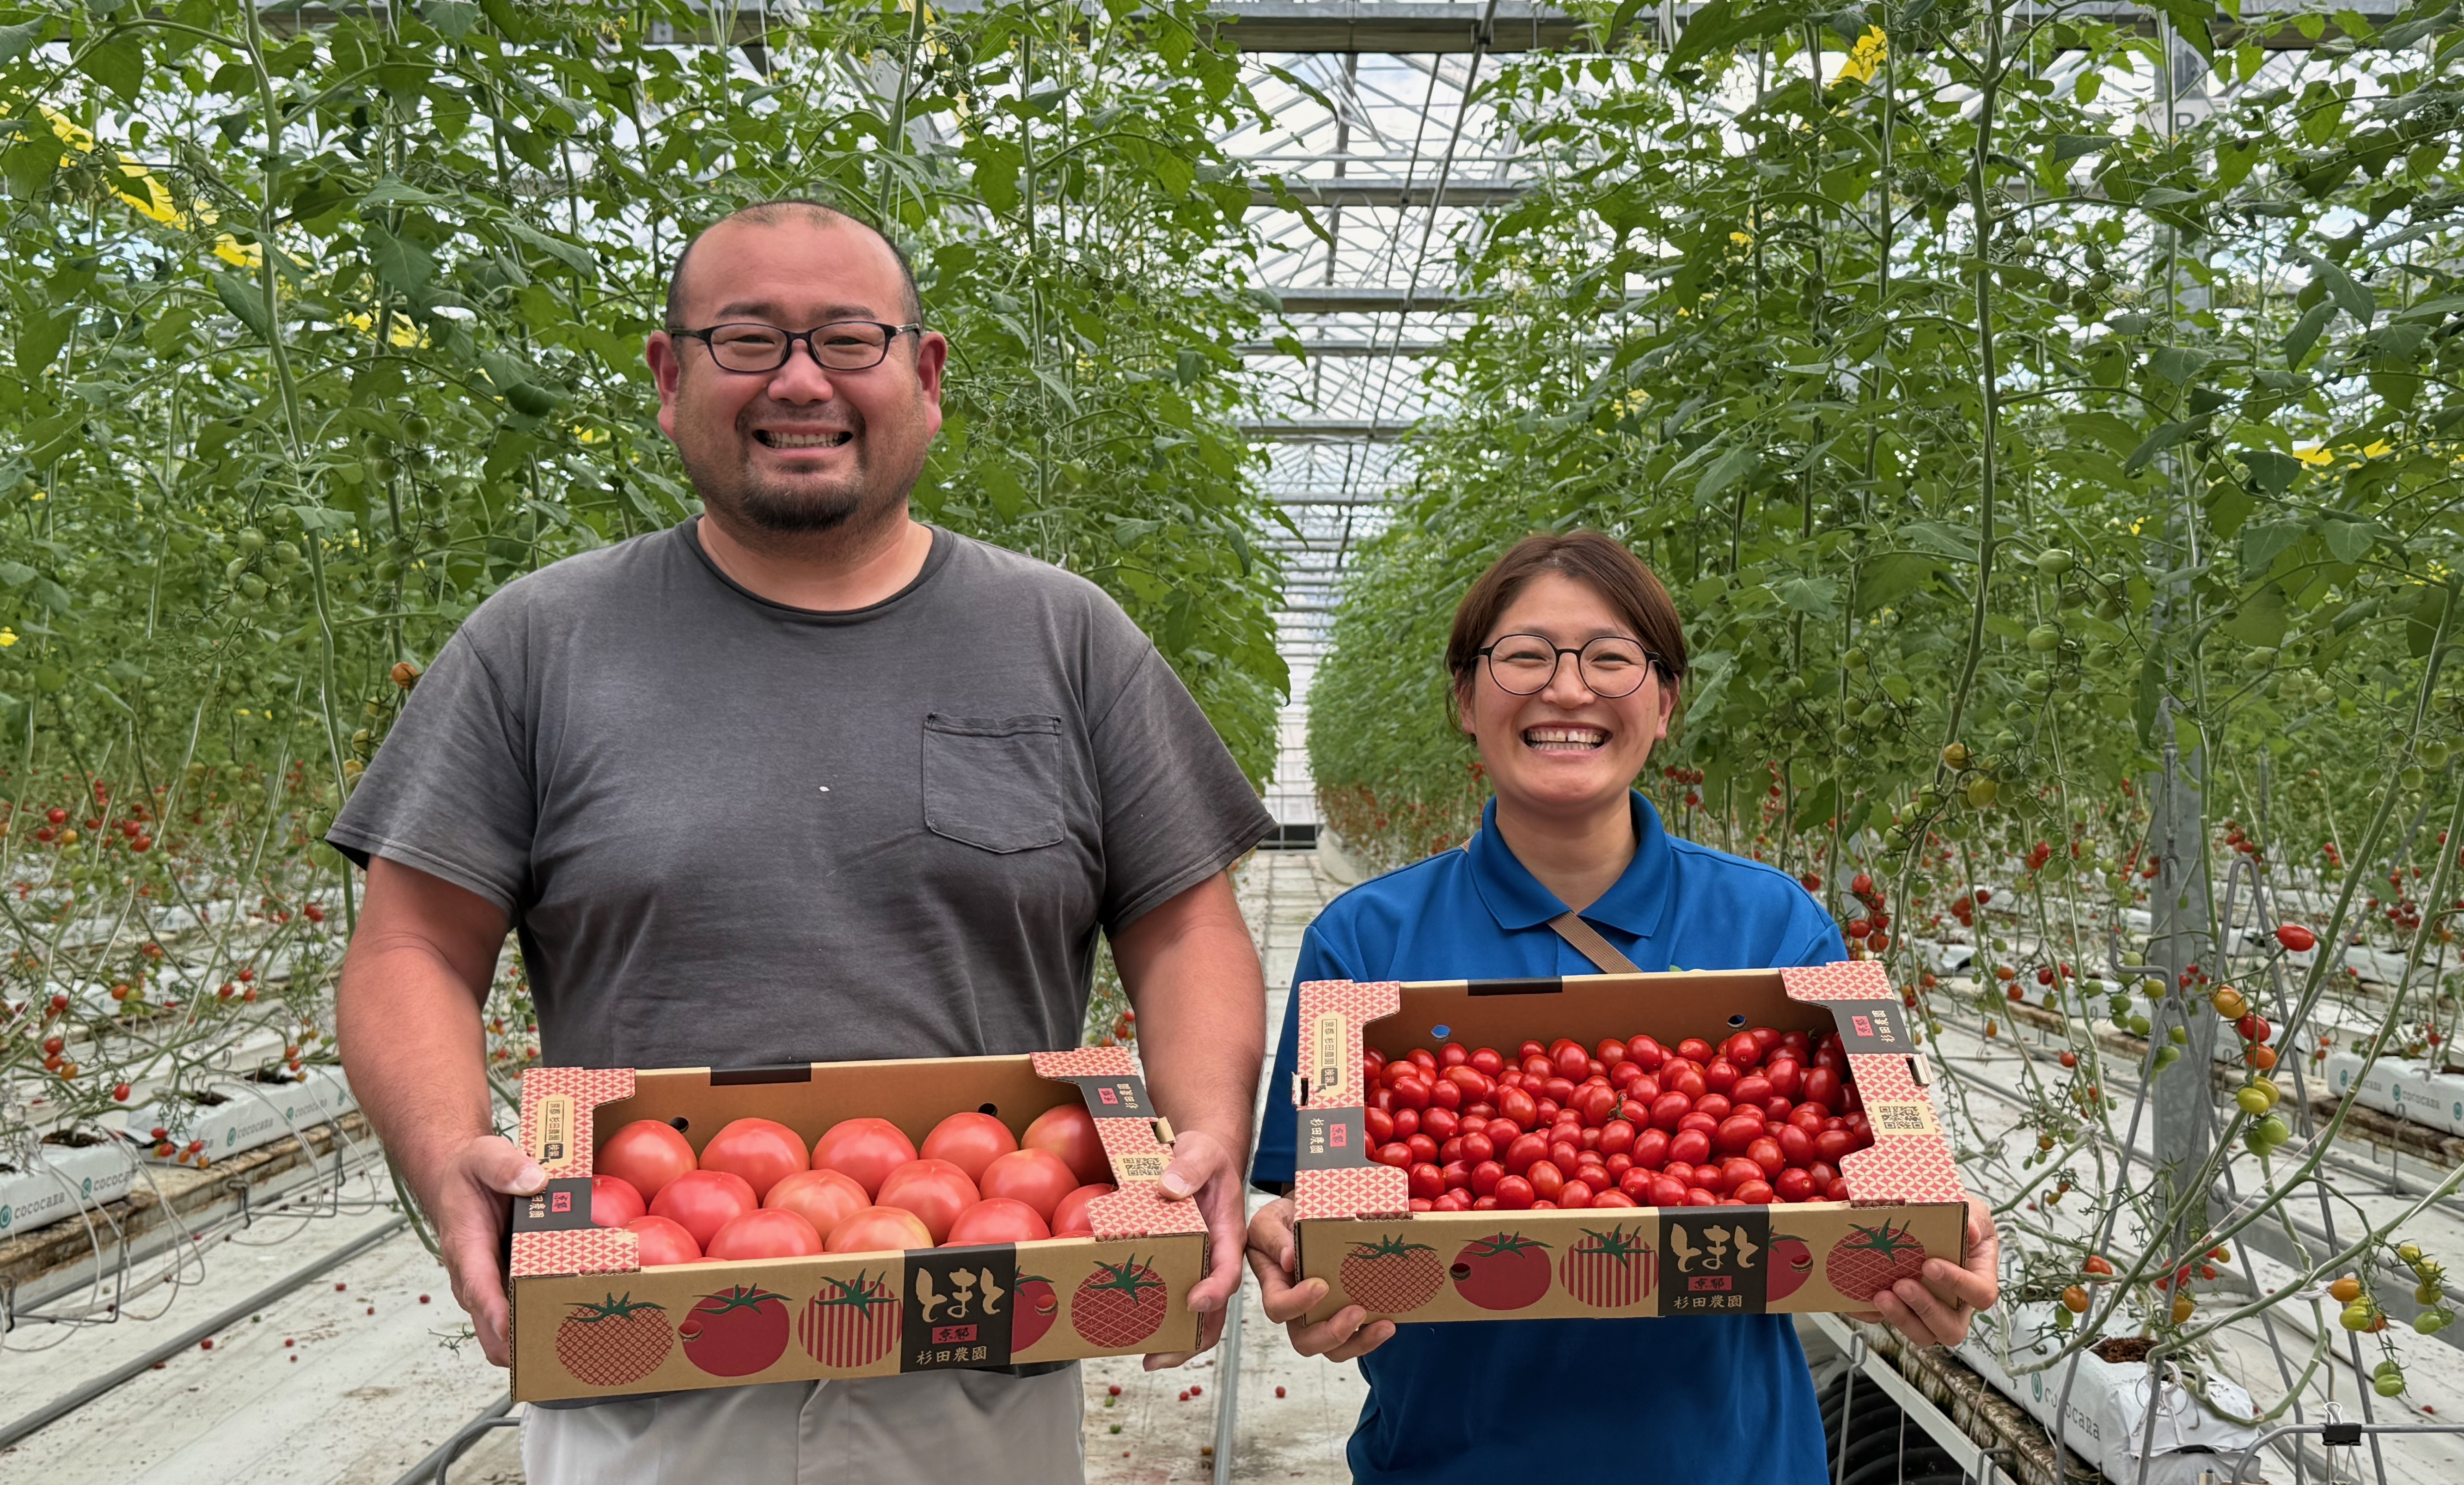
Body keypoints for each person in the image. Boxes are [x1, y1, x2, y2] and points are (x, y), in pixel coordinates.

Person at [330, 199, 1274, 1485]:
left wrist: (1206, 1121)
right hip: (647, 1362)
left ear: (926, 376)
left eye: (847, 339)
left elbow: (1185, 924)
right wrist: (447, 1149)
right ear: (670, 381)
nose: (799, 381)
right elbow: (409, 947)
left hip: (977, 1354)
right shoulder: (540, 643)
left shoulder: (1067, 636)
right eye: (746, 340)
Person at [1242, 532, 2001, 1485]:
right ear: (1466, 700)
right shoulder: (1362, 942)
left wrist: (1933, 1235)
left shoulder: (1775, 922)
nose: (1567, 690)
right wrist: (1299, 1250)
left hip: (1732, 1465)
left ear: (1666, 702)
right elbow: (1315, 1195)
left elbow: (1872, 1159)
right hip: (1452, 1464)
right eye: (1524, 656)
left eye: (1610, 658)